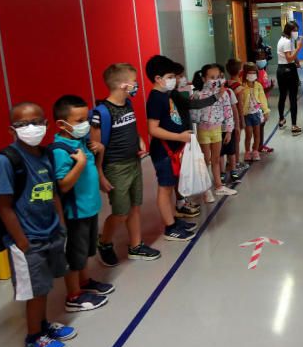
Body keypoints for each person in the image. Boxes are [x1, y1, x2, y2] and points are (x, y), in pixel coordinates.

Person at [0, 102, 76, 347]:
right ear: (12, 129)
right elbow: (3, 206)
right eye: (23, 124)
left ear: (47, 124)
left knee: (45, 285)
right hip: (28, 239)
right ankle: (34, 337)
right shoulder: (7, 161)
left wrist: (60, 224)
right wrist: (21, 241)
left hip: (49, 231)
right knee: (36, 290)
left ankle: (42, 324)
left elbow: (53, 193)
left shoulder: (45, 154)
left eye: (37, 122)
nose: (32, 128)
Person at [91, 63, 161, 265]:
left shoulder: (128, 105)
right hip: (115, 168)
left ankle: (136, 246)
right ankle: (104, 242)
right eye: (134, 81)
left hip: (134, 163)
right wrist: (100, 175)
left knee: (135, 207)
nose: (136, 85)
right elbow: (96, 145)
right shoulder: (101, 112)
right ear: (123, 85)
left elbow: (130, 127)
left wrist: (138, 138)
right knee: (120, 212)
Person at [50, 95, 113, 313]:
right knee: (74, 255)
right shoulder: (60, 149)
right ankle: (74, 295)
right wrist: (80, 164)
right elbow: (63, 185)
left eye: (85, 119)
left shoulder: (80, 142)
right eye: (79, 121)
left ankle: (84, 283)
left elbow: (93, 169)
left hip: (90, 207)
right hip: (75, 212)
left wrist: (100, 153)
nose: (85, 124)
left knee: (85, 251)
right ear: (62, 124)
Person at [145, 54, 198, 242]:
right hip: (163, 153)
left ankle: (173, 220)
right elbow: (153, 129)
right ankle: (169, 228)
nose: (174, 80)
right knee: (165, 189)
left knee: (170, 187)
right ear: (158, 79)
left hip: (174, 151)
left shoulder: (164, 96)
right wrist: (178, 136)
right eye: (170, 76)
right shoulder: (156, 98)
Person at [191, 63, 238, 202]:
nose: (216, 80)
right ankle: (206, 190)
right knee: (205, 160)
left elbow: (228, 112)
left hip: (217, 130)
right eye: (212, 77)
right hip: (203, 131)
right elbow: (194, 116)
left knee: (216, 159)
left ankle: (218, 186)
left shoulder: (224, 94)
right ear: (204, 79)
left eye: (218, 77)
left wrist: (229, 131)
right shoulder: (198, 95)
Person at [170, 62, 203, 221]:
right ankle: (180, 203)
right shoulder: (172, 95)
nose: (182, 79)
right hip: (179, 138)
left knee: (183, 170)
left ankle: (182, 200)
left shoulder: (178, 93)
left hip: (185, 135)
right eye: (179, 76)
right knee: (179, 173)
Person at [276, 20, 303, 136]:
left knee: (282, 95)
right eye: (295, 30)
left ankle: (281, 119)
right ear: (289, 31)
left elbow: (290, 56)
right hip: (288, 70)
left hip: (281, 70)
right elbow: (288, 58)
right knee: (292, 97)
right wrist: (299, 48)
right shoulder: (287, 42)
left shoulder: (282, 40)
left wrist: (297, 61)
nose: (296, 33)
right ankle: (294, 125)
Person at [241, 61, 270, 161]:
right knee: (248, 134)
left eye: (254, 73)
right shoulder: (243, 86)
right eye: (250, 73)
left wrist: (266, 111)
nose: (252, 75)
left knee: (257, 134)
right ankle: (247, 151)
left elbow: (262, 99)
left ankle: (255, 151)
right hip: (246, 115)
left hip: (256, 113)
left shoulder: (258, 86)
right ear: (245, 74)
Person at [222, 60, 245, 183]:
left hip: (225, 117)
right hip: (234, 117)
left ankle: (228, 162)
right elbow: (239, 106)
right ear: (240, 71)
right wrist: (241, 120)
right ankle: (235, 163)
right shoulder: (239, 87)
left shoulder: (225, 83)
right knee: (236, 140)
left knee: (227, 141)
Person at [255, 49, 275, 154]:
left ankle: (260, 145)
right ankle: (259, 146)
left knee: (262, 125)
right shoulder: (256, 73)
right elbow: (260, 90)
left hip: (264, 101)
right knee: (260, 126)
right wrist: (271, 87)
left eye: (263, 58)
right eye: (260, 58)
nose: (262, 60)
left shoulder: (263, 71)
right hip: (259, 104)